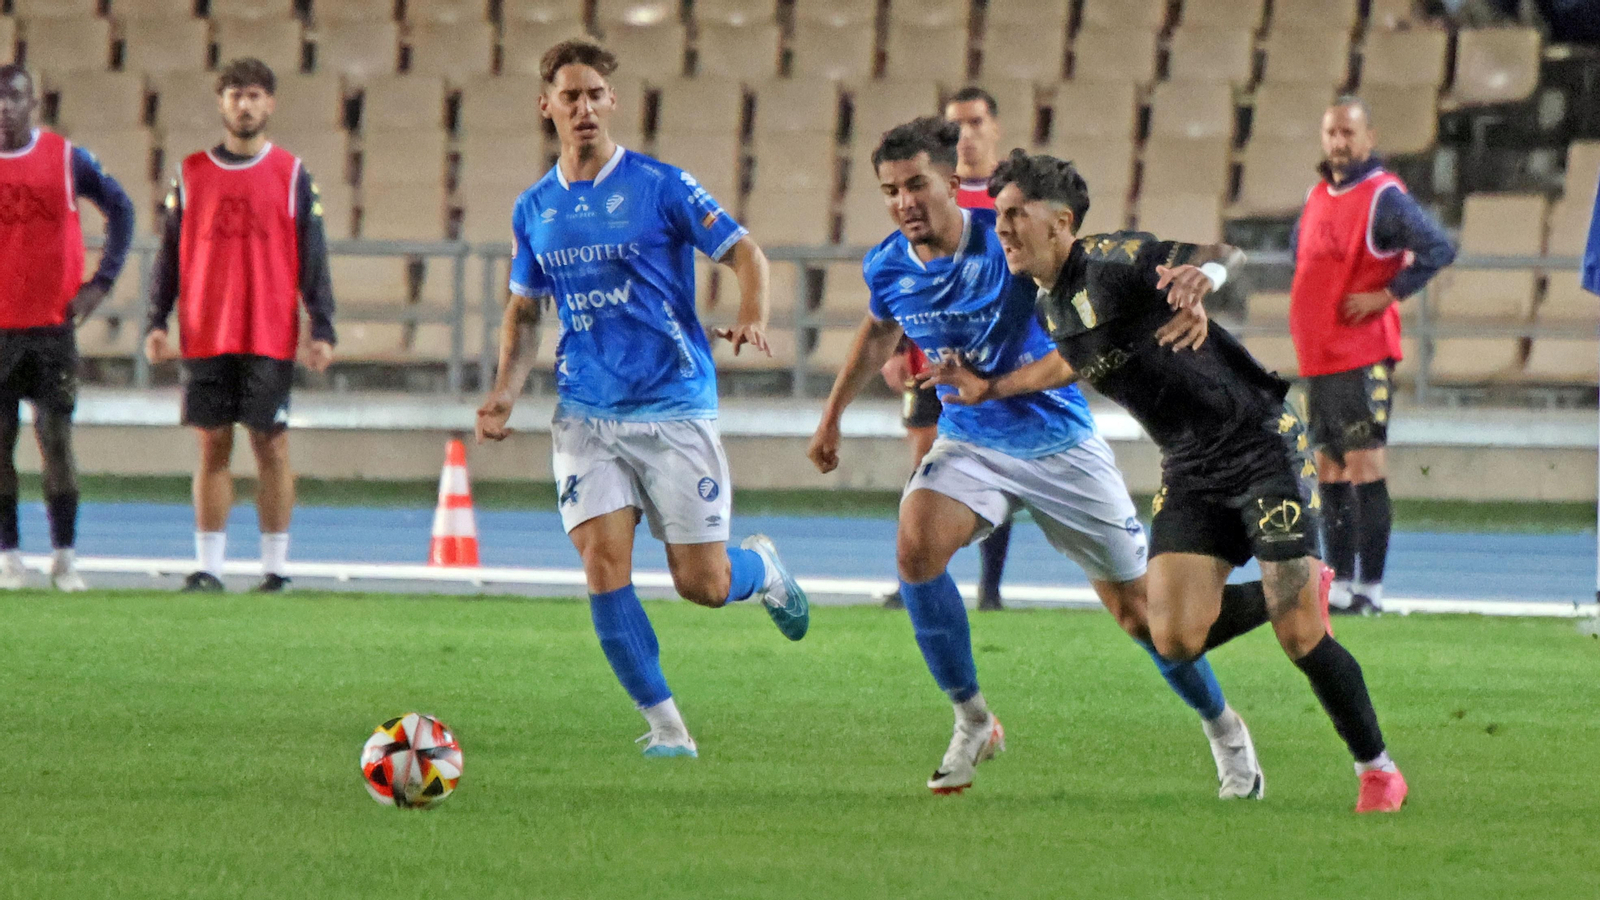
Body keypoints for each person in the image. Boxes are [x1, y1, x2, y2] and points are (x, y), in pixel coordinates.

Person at [929, 151, 1408, 813]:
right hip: (1189, 468)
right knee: (1174, 637)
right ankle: (1296, 589)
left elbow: (1220, 251)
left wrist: (1198, 279)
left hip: (1260, 445)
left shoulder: (1109, 261)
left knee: (1301, 638)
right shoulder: (1051, 306)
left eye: (1016, 214)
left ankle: (1377, 770)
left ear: (1061, 221)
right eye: (999, 214)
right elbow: (1068, 365)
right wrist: (990, 388)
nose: (1002, 227)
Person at [808, 119, 1269, 799]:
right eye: (889, 190)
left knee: (1142, 616)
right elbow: (879, 329)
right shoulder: (887, 263)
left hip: (1059, 445)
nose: (904, 201)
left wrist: (1197, 272)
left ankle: (1225, 730)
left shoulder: (1008, 240)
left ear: (951, 183)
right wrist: (831, 417)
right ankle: (973, 720)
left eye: (916, 185)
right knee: (914, 550)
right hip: (970, 441)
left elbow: (1078, 351)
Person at [474, 40, 808, 759]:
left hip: (673, 404)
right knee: (603, 565)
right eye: (570, 96)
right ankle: (668, 730)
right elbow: (525, 310)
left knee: (703, 583)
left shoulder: (662, 185)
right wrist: (504, 393)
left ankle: (764, 574)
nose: (584, 107)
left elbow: (747, 253)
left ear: (613, 101)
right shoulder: (534, 208)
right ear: (547, 107)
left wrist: (754, 314)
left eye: (596, 93)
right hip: (586, 412)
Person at [144, 58, 337, 593]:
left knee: (271, 446)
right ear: (221, 103)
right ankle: (210, 567)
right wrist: (156, 320)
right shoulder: (190, 173)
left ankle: (275, 569)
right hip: (205, 330)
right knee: (212, 446)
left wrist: (322, 327)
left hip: (269, 332)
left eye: (254, 95)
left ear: (270, 103)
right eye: (235, 95)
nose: (245, 104)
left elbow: (313, 257)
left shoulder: (293, 175)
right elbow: (168, 257)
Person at [1289, 96, 1455, 616]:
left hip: (1361, 356)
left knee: (1365, 467)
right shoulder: (1317, 196)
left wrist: (1388, 294)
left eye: (1348, 133)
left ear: (1368, 137)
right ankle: (1338, 588)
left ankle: (1372, 590)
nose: (1339, 142)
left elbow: (1439, 248)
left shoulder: (1384, 198)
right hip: (1319, 359)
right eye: (1331, 132)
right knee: (1330, 470)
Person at [0, 65, 135, 591]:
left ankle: (64, 557)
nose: (5, 108)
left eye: (14, 99)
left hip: (51, 328)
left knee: (55, 440)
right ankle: (9, 556)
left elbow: (121, 210)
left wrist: (100, 284)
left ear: (33, 103)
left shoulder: (64, 159)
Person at [878, 87, 1012, 611]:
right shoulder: (924, 192)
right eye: (956, 125)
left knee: (996, 463)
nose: (966, 135)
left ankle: (991, 586)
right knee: (926, 464)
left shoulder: (1006, 194)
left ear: (994, 127)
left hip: (989, 358)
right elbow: (911, 277)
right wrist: (894, 349)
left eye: (976, 122)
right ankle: (917, 575)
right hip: (927, 357)